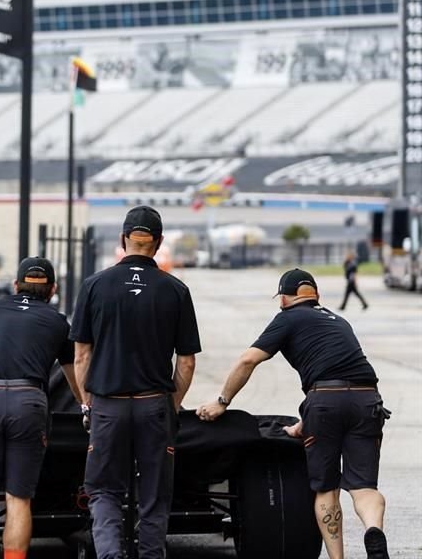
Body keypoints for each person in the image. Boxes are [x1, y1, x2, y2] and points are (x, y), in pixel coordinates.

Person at [197, 269, 390, 559]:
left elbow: (249, 359)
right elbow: (341, 377)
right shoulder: (339, 321)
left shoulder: (287, 318)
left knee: (326, 490)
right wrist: (305, 423)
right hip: (368, 399)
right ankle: (373, 530)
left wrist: (222, 401)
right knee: (364, 488)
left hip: (324, 401)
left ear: (285, 299)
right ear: (316, 296)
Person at [70, 205, 200, 559]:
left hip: (108, 406)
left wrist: (87, 402)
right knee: (155, 493)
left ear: (123, 240)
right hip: (153, 403)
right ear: (157, 244)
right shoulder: (175, 290)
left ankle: (110, 554)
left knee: (103, 490)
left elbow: (81, 355)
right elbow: (186, 362)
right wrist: (169, 405)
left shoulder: (94, 286)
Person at [0, 257, 83, 559]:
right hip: (28, 402)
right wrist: (87, 407)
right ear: (52, 289)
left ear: (16, 285)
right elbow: (74, 377)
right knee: (19, 499)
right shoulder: (57, 321)